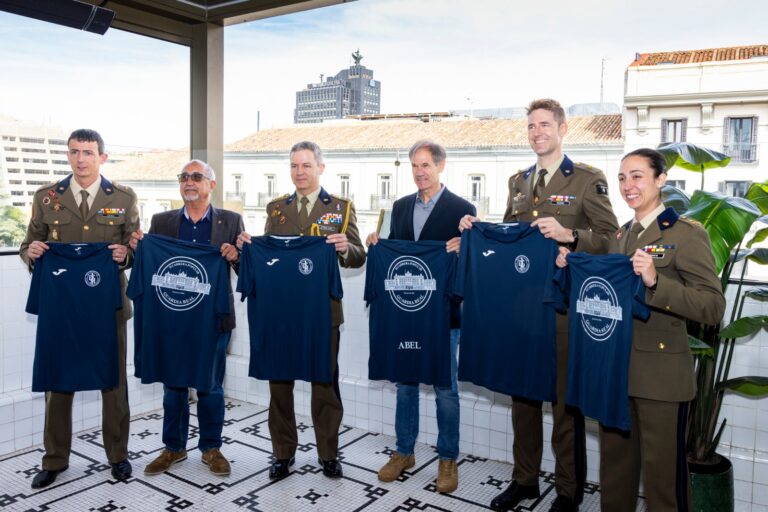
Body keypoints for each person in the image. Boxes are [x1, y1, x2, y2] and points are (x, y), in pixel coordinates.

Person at [460, 98, 618, 512]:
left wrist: (571, 236)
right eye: (531, 126)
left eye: (545, 124)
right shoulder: (519, 182)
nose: (537, 133)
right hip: (522, 311)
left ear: (562, 129)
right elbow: (510, 237)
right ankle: (524, 480)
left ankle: (568, 491)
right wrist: (477, 229)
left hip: (563, 308)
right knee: (523, 400)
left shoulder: (586, 179)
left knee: (564, 406)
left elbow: (612, 239)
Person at [557, 148, 725, 512]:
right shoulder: (621, 235)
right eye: (622, 178)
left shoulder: (686, 234)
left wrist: (656, 283)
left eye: (637, 176)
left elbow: (712, 307)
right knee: (615, 475)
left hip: (660, 379)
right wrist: (571, 264)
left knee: (663, 482)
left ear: (661, 180)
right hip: (615, 374)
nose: (627, 185)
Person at [237, 140, 365, 479]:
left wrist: (345, 248)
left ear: (320, 168)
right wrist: (248, 248)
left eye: (306, 165)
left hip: (323, 312)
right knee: (279, 384)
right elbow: (269, 255)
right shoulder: (276, 209)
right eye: (294, 166)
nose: (300, 172)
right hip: (281, 312)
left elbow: (358, 256)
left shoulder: (341, 208)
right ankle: (282, 453)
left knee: (325, 384)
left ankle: (328, 454)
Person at [19, 128, 139, 488]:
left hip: (108, 306)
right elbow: (28, 244)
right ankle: (54, 459)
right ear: (68, 155)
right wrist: (31, 253)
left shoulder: (124, 197)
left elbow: (135, 247)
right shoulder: (46, 198)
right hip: (62, 308)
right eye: (74, 152)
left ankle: (118, 456)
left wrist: (126, 255)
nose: (80, 159)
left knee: (113, 382)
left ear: (102, 157)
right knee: (58, 382)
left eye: (88, 152)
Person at [366, 140, 475, 493]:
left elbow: (474, 262)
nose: (419, 172)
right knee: (405, 383)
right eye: (414, 165)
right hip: (406, 312)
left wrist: (465, 248)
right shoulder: (399, 208)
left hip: (443, 315)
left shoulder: (463, 209)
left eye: (426, 165)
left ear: (441, 166)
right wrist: (376, 243)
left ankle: (448, 458)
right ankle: (404, 451)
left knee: (446, 387)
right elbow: (395, 254)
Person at [129, 159, 243, 477]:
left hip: (213, 320)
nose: (188, 182)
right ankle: (174, 447)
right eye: (183, 177)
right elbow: (152, 266)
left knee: (211, 386)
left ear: (211, 184)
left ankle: (211, 448)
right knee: (174, 385)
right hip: (172, 319)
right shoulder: (161, 221)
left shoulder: (231, 221)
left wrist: (237, 256)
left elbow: (244, 267)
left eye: (196, 176)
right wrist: (137, 248)